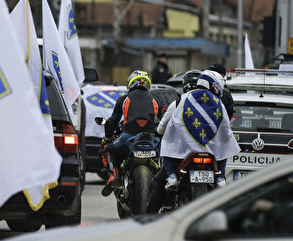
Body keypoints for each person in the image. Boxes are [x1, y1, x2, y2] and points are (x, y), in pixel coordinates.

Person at [147, 69, 239, 212]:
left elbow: (162, 129)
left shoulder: (179, 102)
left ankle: (149, 217)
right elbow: (225, 131)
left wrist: (160, 134)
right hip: (211, 154)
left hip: (181, 155)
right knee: (224, 148)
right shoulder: (218, 103)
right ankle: (220, 177)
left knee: (159, 181)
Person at [100, 70, 160, 195]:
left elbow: (112, 122)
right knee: (163, 160)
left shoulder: (124, 99)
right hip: (151, 139)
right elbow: (161, 123)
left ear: (131, 83)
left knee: (106, 149)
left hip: (128, 137)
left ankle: (114, 175)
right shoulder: (155, 100)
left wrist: (107, 138)